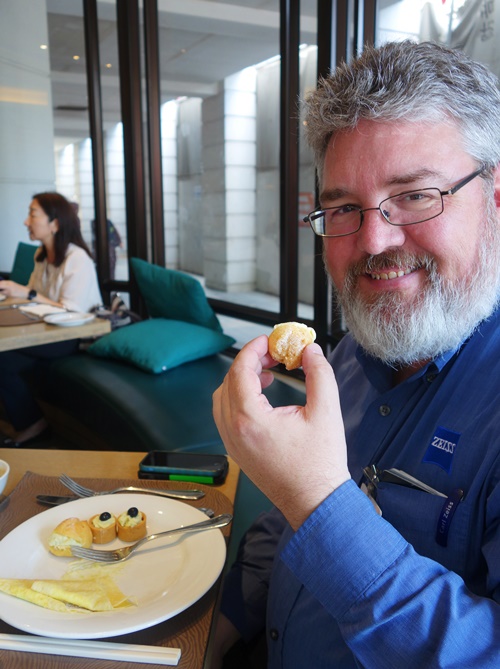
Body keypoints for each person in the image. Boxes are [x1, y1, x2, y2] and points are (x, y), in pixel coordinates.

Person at [211, 40, 500, 668]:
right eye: (343, 207)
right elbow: (287, 519)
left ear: (495, 194)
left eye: (416, 195)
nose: (373, 240)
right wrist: (224, 624)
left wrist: (320, 502)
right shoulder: (350, 356)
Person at [0, 192, 102, 446]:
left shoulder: (77, 259)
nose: (26, 221)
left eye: (32, 214)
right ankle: (31, 423)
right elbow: (32, 298)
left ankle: (33, 425)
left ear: (54, 223)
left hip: (72, 335)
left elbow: (71, 310)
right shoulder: (42, 255)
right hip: (46, 331)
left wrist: (27, 293)